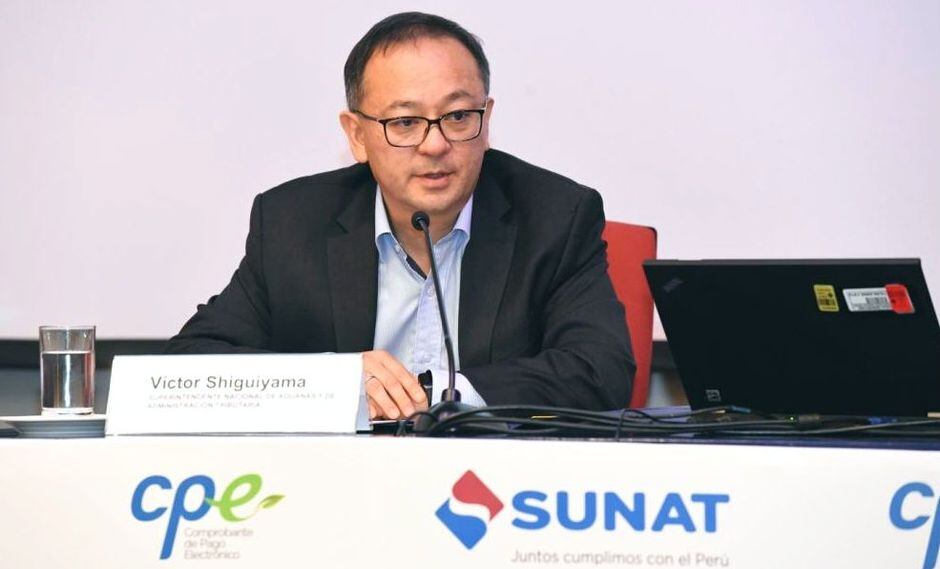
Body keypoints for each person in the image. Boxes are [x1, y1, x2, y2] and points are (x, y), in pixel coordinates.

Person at [165, 12, 635, 419]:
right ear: (357, 135)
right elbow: (189, 365)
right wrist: (335, 382)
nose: (435, 145)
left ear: (486, 120)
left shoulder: (556, 216)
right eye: (405, 122)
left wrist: (438, 394)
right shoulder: (292, 223)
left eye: (458, 116)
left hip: (494, 477)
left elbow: (601, 369)